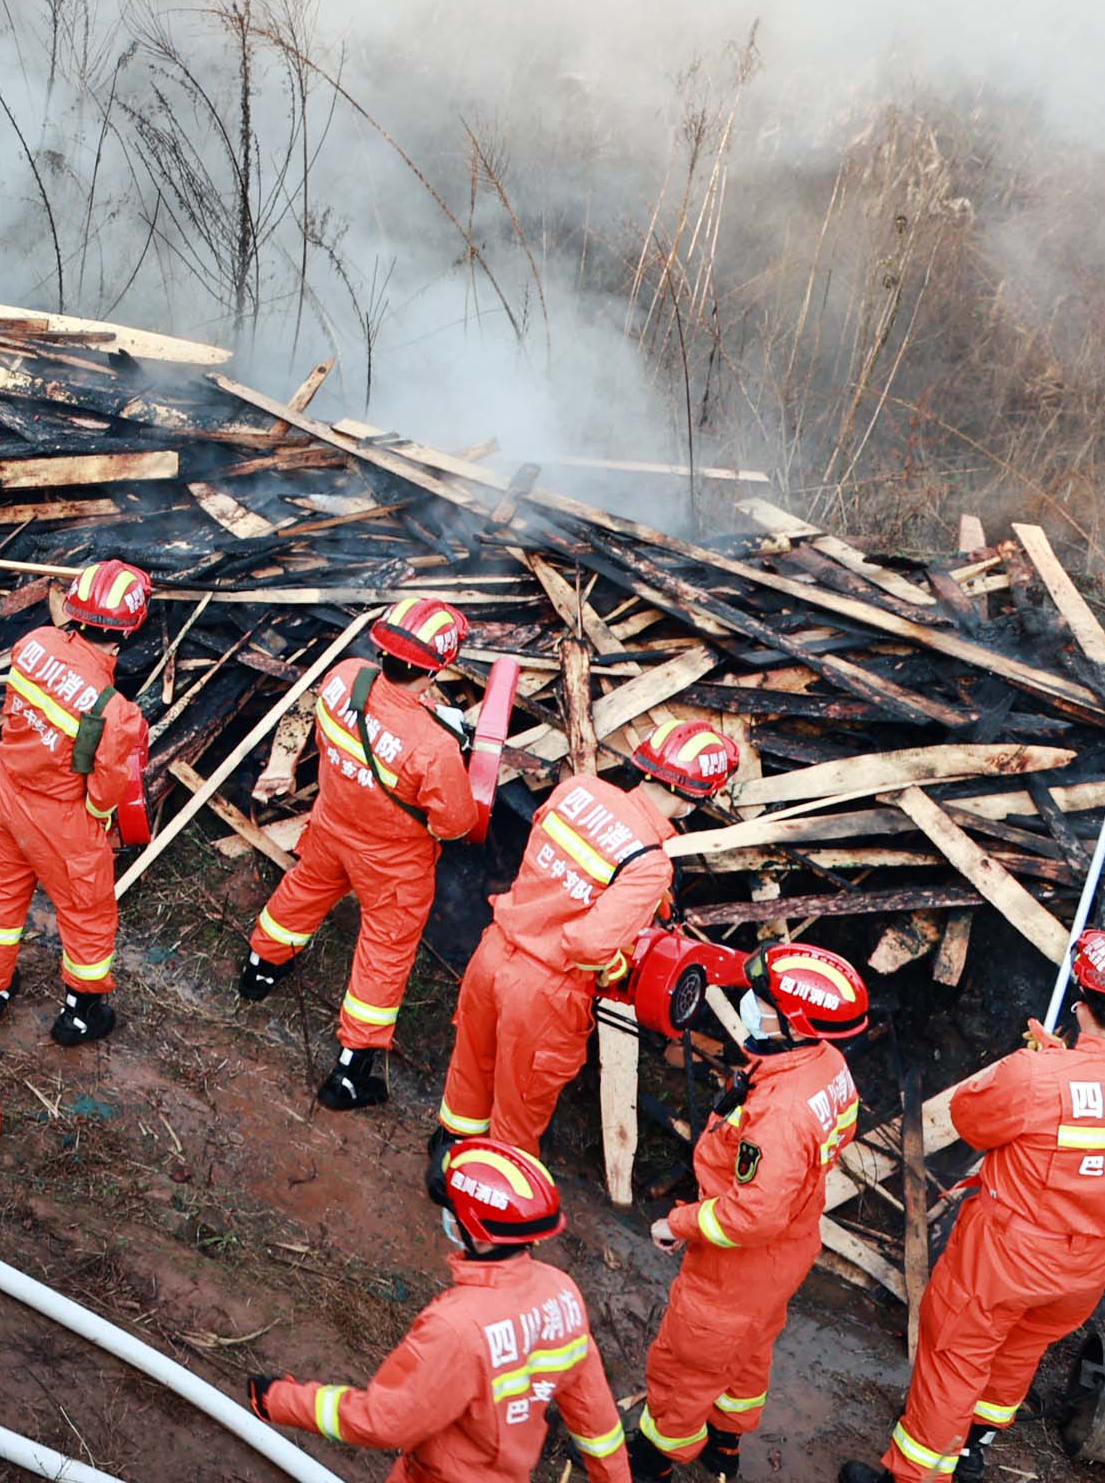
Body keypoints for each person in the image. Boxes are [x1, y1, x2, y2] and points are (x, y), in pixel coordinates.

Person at [840, 929, 1105, 1483]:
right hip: (1088, 1266)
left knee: (954, 1361)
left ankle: (914, 1474)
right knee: (1017, 1352)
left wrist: (1030, 1068)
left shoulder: (1037, 1077)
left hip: (1008, 1255)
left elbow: (971, 1118)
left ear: (1081, 1002)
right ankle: (972, 1450)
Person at [431, 716, 737, 1155]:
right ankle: (495, 1202)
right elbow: (589, 946)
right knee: (519, 1112)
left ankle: (447, 1160)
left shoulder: (579, 790)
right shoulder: (650, 865)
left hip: (495, 952)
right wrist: (618, 964)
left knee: (470, 1073)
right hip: (544, 992)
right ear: (698, 796)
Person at [246, 1139, 633, 1483]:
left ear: (477, 1230)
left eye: (452, 1208)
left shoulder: (456, 1327)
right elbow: (596, 1419)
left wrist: (278, 1399)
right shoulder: (560, 1292)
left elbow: (385, 1421)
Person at [235, 596, 483, 1109]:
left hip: (332, 825)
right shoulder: (434, 747)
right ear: (438, 667)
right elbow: (455, 825)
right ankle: (350, 1073)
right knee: (384, 952)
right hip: (393, 863)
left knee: (302, 891)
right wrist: (456, 748)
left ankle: (260, 968)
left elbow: (334, 735)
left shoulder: (348, 677)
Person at [632, 943, 866, 1479]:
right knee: (748, 1349)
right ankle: (724, 1445)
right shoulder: (826, 1063)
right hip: (789, 1247)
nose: (748, 1003)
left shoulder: (781, 1114)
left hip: (738, 1260)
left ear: (792, 1020)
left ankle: (652, 1460)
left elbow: (751, 1216)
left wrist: (681, 1222)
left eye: (760, 999)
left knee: (686, 1359)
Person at [0, 557, 154, 1045]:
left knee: (4, 887)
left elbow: (16, 712)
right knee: (87, 912)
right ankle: (79, 1015)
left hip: (8, 791)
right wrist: (94, 819)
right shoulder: (116, 713)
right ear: (129, 630)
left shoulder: (33, 647)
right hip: (61, 817)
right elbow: (108, 787)